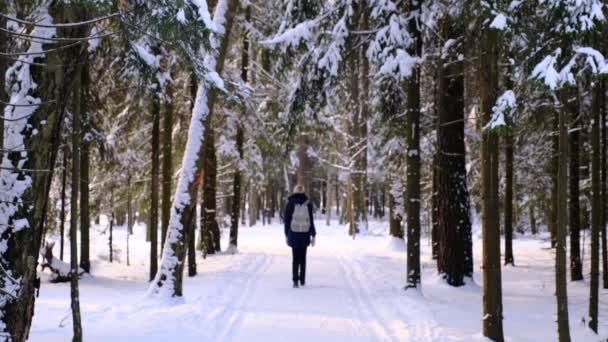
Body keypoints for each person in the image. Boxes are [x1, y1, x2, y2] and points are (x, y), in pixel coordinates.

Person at [284, 184, 316, 288]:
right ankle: (302, 279)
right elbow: (311, 220)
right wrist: (313, 234)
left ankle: (295, 281)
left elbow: (287, 221)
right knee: (303, 258)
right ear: (303, 191)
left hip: (293, 233)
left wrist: (286, 234)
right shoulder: (308, 203)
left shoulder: (290, 204)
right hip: (305, 234)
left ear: (294, 191)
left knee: (295, 258)